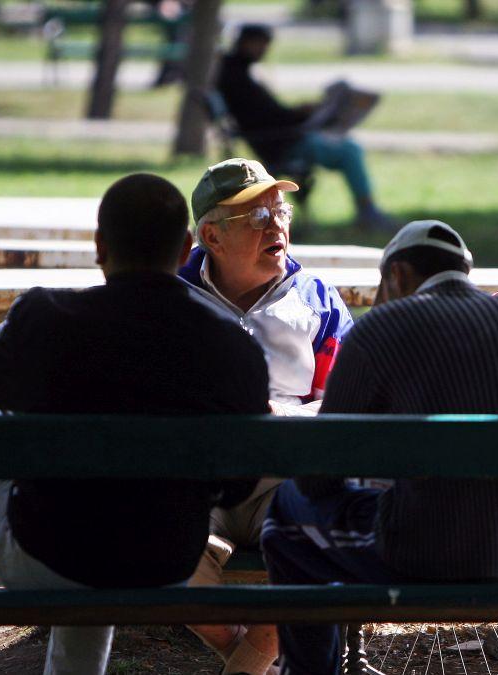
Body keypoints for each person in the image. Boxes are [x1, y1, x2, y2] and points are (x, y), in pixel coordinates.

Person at [0, 173, 271, 675]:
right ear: (185, 249)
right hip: (167, 559)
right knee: (107, 527)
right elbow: (240, 481)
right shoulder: (231, 345)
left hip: (44, 556)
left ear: (99, 247)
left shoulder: (47, 316)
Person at [261, 220, 498, 675]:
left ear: (399, 275)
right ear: (463, 271)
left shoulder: (380, 329)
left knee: (285, 516)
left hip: (420, 551)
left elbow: (317, 477)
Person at [179, 157, 354, 675]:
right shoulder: (174, 300)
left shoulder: (317, 300)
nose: (277, 226)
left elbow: (346, 402)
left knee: (313, 546)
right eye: (257, 218)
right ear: (211, 236)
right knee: (161, 547)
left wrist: (282, 415)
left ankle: (248, 666)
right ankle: (256, 663)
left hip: (286, 478)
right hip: (196, 483)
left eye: (281, 212)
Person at [216, 24, 395, 231]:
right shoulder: (237, 77)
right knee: (349, 149)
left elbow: (266, 113)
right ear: (248, 43)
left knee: (346, 145)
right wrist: (301, 115)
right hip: (282, 144)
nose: (265, 51)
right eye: (262, 45)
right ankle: (368, 212)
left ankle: (367, 211)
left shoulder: (235, 72)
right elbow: (267, 117)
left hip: (282, 138)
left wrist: (302, 113)